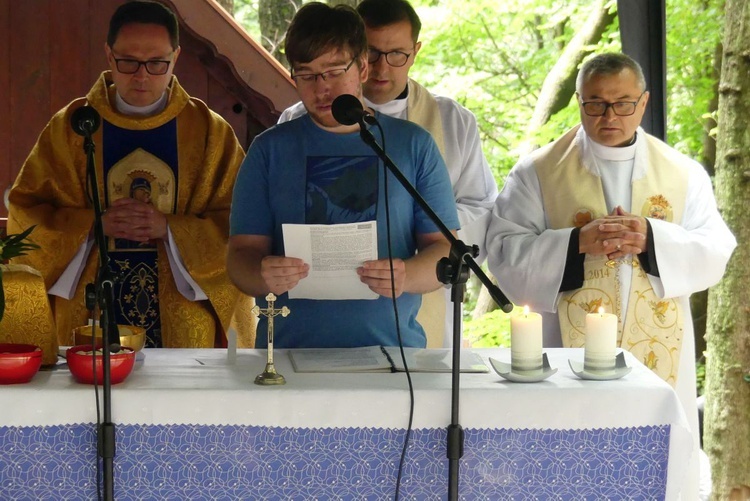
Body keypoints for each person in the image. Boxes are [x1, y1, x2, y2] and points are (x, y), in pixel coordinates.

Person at [485, 52, 736, 499]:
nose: (609, 115)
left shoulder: (683, 173)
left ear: (643, 103)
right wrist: (575, 243)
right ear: (579, 103)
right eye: (596, 104)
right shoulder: (537, 173)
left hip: (658, 351)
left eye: (622, 103)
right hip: (563, 346)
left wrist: (653, 238)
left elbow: (717, 250)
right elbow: (502, 252)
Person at [7, 0, 255, 349]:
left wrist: (170, 230)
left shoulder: (209, 133)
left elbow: (242, 223)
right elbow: (26, 213)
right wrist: (93, 226)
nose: (141, 76)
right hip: (89, 309)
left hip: (182, 317)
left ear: (176, 57)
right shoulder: (72, 127)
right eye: (129, 62)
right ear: (109, 56)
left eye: (156, 63)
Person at [227, 2, 459, 349]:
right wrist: (263, 274)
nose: (322, 88)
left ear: (362, 67)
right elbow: (240, 256)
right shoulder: (268, 151)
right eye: (306, 75)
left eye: (334, 71)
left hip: (393, 354)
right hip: (289, 355)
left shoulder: (412, 145)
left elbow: (445, 250)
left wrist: (407, 275)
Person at [278, 0, 498, 347]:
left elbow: (482, 206)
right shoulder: (297, 120)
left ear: (415, 52)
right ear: (357, 57)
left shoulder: (452, 121)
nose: (382, 68)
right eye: (372, 53)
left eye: (397, 54)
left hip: (419, 295)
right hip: (317, 304)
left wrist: (412, 237)